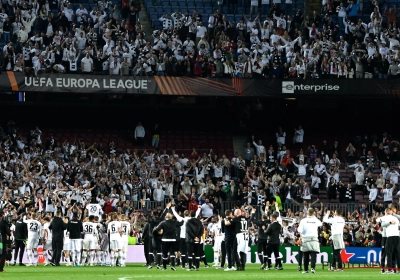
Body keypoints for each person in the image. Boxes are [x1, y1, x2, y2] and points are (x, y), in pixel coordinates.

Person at [153, 203, 183, 271]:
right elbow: (181, 223)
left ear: (166, 217)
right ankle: (173, 266)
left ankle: (164, 267)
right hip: (173, 239)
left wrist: (158, 233)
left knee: (165, 254)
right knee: (172, 253)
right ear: (171, 217)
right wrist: (182, 218)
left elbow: (156, 229)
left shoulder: (163, 223)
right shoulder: (174, 222)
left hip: (165, 240)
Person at [298, 208, 322, 274]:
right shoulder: (315, 220)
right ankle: (313, 268)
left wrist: (301, 236)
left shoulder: (303, 220)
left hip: (305, 238)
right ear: (313, 213)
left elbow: (299, 230)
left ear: (307, 213)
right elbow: (321, 224)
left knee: (306, 255)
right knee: (313, 254)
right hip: (314, 238)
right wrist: (314, 217)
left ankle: (306, 270)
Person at [380, 208, 400, 274]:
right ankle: (397, 270)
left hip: (390, 237)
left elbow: (382, 225)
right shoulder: (396, 218)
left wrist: (390, 222)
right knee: (397, 254)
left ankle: (390, 269)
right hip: (396, 237)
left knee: (389, 253)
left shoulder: (386, 218)